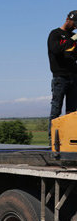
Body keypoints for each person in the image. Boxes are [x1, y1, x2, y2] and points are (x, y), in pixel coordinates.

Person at [48, 10, 77, 138]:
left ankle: (69, 139)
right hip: (60, 77)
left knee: (72, 112)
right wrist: (71, 40)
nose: (75, 26)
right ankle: (52, 140)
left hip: (73, 77)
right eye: (75, 23)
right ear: (68, 20)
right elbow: (55, 50)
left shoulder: (74, 37)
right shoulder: (55, 34)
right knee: (56, 110)